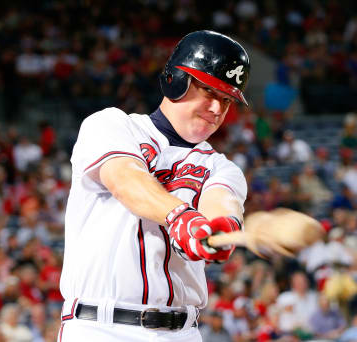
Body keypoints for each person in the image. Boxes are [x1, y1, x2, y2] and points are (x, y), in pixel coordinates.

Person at [58, 30, 251, 342]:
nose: (218, 109)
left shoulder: (222, 166)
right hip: (101, 327)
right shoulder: (111, 125)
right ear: (176, 80)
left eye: (227, 99)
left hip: (182, 332)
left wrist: (220, 226)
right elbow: (125, 179)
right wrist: (180, 217)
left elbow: (221, 201)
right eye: (210, 92)